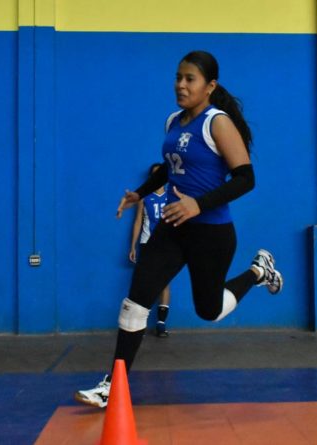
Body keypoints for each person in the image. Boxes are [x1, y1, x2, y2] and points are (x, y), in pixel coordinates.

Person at [75, 50, 283, 408]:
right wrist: (138, 194)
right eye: (178, 77)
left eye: (190, 79)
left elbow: (246, 179)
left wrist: (198, 204)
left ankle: (257, 272)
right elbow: (168, 169)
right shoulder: (174, 121)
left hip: (211, 233)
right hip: (172, 228)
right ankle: (113, 386)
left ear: (209, 86)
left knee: (210, 311)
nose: (181, 85)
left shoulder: (216, 122)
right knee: (135, 302)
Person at [129, 163, 172, 337]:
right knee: (145, 281)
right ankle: (139, 321)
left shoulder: (172, 195)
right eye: (154, 175)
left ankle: (161, 323)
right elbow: (138, 221)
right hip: (147, 242)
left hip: (167, 243)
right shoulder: (144, 197)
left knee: (164, 282)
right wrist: (132, 245)